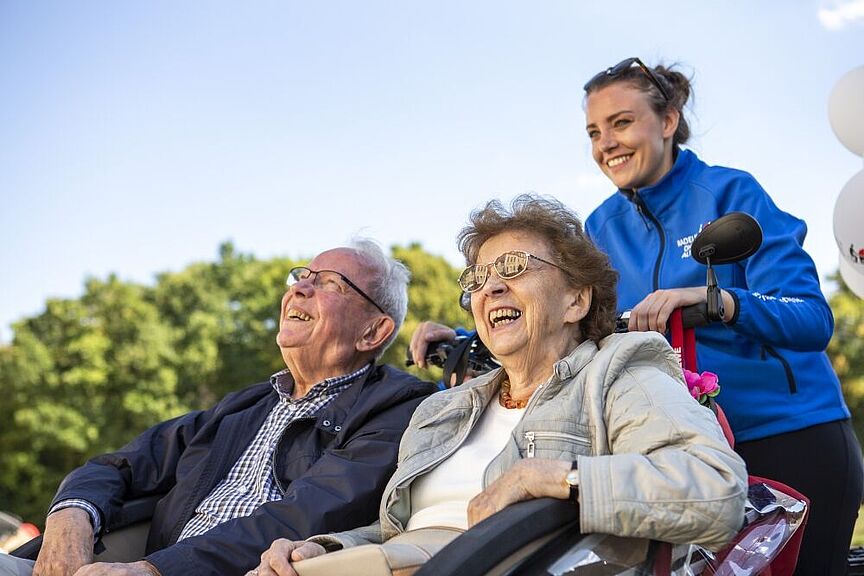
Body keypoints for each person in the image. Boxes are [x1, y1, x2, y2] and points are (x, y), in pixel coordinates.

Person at [411, 57, 864, 576]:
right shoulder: (600, 226)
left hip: (789, 437)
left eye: (622, 123)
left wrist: (717, 302)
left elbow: (811, 318)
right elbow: (569, 316)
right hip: (673, 454)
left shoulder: (731, 193)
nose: (606, 143)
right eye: (594, 131)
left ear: (667, 121)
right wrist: (472, 335)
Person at [252, 195, 747, 576]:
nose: (489, 288)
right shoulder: (441, 410)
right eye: (479, 277)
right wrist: (324, 548)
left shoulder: (618, 370)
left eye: (514, 268)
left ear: (575, 299)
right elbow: (395, 534)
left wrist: (553, 478)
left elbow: (714, 491)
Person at [1, 239, 437, 576]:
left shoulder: (398, 407)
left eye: (328, 283)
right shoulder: (242, 407)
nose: (299, 287)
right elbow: (120, 465)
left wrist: (157, 569)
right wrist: (71, 514)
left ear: (373, 331)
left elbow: (309, 512)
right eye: (302, 276)